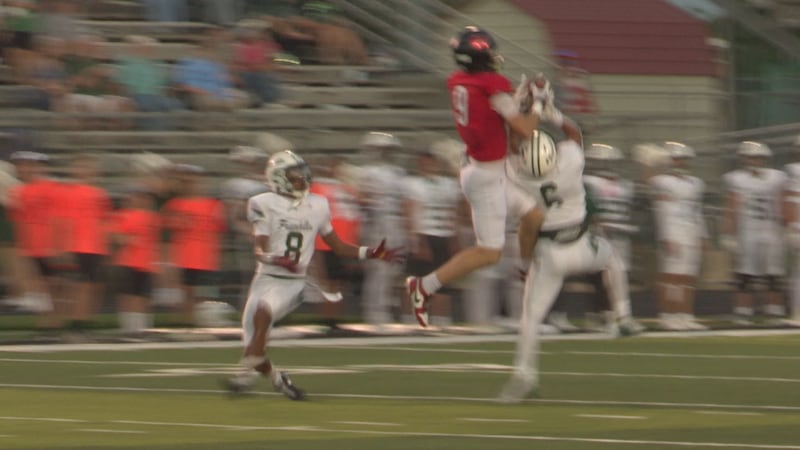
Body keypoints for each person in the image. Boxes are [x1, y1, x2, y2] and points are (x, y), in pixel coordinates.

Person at [225, 150, 402, 400]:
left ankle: (240, 376)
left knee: (262, 315)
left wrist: (372, 253)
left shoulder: (318, 204)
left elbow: (338, 246)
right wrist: (275, 259)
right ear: (279, 178)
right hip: (264, 278)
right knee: (254, 349)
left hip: (293, 283)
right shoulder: (261, 203)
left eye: (301, 172)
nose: (301, 177)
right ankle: (279, 380)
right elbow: (260, 249)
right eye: (294, 174)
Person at [499, 106, 642, 403]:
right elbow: (574, 133)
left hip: (550, 255)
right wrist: (549, 112)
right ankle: (623, 316)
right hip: (583, 246)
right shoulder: (570, 163)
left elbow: (512, 145)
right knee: (613, 258)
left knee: (530, 320)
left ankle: (524, 376)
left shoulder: (519, 176)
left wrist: (516, 113)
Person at [405, 26, 541, 327]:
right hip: (487, 176)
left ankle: (525, 271)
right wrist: (538, 103)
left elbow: (496, 117)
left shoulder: (459, 80)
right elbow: (526, 131)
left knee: (533, 216)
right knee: (489, 253)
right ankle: (424, 286)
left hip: (485, 169)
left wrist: (518, 103)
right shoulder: (491, 83)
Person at [721, 141, 788, 324]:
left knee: (774, 273)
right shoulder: (736, 178)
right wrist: (728, 233)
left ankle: (774, 311)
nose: (755, 160)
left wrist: (788, 226)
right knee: (744, 273)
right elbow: (732, 206)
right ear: (743, 159)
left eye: (758, 157)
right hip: (747, 230)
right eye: (751, 157)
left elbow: (783, 203)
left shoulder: (777, 177)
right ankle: (743, 311)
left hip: (772, 228)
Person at [648, 142, 709, 331]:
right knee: (671, 277)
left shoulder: (696, 183)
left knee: (688, 277)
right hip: (673, 230)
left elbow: (697, 210)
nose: (681, 163)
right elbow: (661, 211)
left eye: (683, 159)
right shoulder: (661, 182)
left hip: (691, 230)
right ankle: (668, 315)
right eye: (677, 159)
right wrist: (666, 236)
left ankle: (685, 315)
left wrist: (702, 234)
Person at [358, 132, 411, 325]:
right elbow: (364, 199)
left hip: (395, 221)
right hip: (378, 221)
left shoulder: (399, 172)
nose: (385, 153)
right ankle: (374, 312)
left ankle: (385, 308)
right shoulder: (367, 172)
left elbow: (404, 201)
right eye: (382, 149)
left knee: (394, 269)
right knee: (379, 270)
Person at [405, 148, 462, 327]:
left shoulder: (448, 184)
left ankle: (441, 320)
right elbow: (411, 212)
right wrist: (418, 242)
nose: (428, 165)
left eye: (431, 161)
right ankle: (413, 318)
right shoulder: (413, 184)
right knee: (417, 279)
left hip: (443, 236)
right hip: (425, 234)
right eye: (424, 161)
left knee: (443, 280)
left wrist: (454, 239)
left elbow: (453, 213)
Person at [63, 155, 112, 332]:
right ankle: (76, 318)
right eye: (82, 167)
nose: (86, 172)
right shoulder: (68, 193)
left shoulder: (101, 194)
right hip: (76, 245)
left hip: (95, 246)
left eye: (89, 168)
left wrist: (105, 247)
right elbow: (63, 220)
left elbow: (105, 221)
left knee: (93, 284)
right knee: (78, 284)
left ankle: (86, 318)